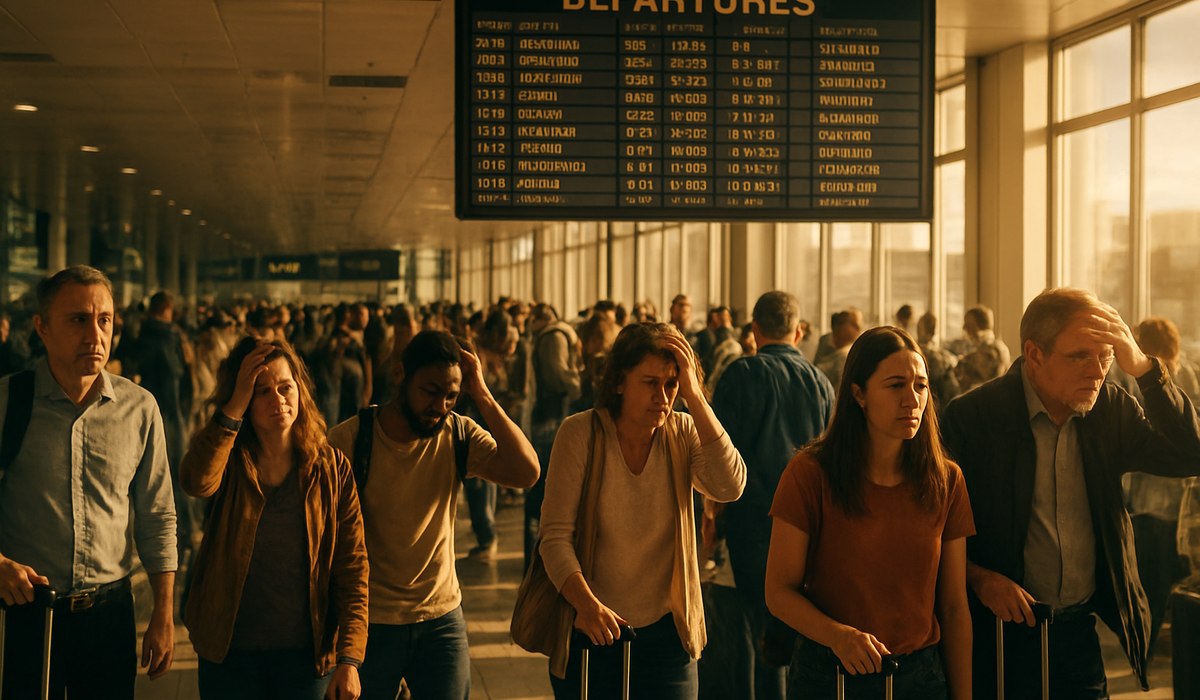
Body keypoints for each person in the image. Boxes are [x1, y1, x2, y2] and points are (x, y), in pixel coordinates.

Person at [940, 288, 1200, 697]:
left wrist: (1146, 369)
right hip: (998, 634)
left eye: (1106, 355)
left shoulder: (1110, 409)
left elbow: (1190, 454)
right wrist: (978, 577)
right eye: (1081, 356)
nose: (1097, 371)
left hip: (1078, 631)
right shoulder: (974, 417)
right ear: (1035, 354)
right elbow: (929, 526)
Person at [328, 330, 540, 700]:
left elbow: (527, 472)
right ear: (400, 376)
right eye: (430, 390)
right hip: (371, 621)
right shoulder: (353, 440)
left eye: (451, 395)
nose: (440, 405)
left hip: (440, 618)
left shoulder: (459, 434)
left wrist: (482, 394)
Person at [539, 322, 746, 699]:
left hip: (668, 631)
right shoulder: (581, 434)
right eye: (650, 383)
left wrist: (695, 397)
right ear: (619, 382)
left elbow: (730, 485)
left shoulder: (682, 431)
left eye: (671, 385)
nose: (663, 397)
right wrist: (586, 605)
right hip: (592, 625)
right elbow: (554, 537)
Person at [765, 326, 974, 700]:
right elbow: (779, 591)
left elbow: (955, 606)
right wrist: (838, 635)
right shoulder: (811, 473)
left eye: (921, 386)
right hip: (831, 673)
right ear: (858, 394)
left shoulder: (946, 479)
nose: (912, 399)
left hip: (919, 677)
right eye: (896, 385)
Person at [0, 265, 177, 698]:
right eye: (78, 319)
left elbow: (157, 515)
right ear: (42, 327)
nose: (95, 335)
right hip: (27, 612)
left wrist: (164, 614)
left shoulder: (138, 408)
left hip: (108, 615)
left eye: (105, 320)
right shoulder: (9, 402)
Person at [180, 337, 368, 699]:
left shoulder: (330, 467)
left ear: (300, 390)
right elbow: (197, 481)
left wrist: (350, 658)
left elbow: (354, 566)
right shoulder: (230, 459)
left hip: (306, 656)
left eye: (285, 387)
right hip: (230, 652)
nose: (278, 399)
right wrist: (234, 404)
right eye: (262, 391)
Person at [709, 291, 835, 700]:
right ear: (798, 331)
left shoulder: (741, 374)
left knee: (750, 631)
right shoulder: (820, 382)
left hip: (751, 522)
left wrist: (712, 522)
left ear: (755, 330)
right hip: (810, 525)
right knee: (792, 631)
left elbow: (719, 455)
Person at [526, 304, 582, 565]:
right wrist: (577, 387)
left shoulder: (547, 336)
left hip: (545, 415)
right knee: (546, 486)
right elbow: (557, 373)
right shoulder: (556, 337)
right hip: (552, 416)